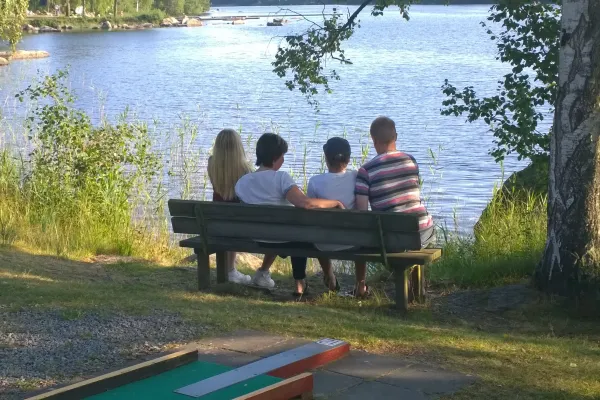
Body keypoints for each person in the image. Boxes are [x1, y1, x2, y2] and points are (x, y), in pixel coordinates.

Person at [235, 133, 344, 295]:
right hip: (284, 237)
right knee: (300, 232)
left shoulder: (243, 181)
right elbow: (305, 203)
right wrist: (334, 202)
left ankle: (268, 274)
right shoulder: (281, 178)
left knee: (288, 230)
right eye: (282, 156)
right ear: (275, 158)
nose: (283, 160)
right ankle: (300, 283)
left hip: (256, 236)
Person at [354, 116, 434, 297]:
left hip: (389, 238)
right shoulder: (410, 161)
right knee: (414, 233)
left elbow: (361, 212)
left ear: (373, 140)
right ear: (395, 136)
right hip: (421, 232)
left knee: (389, 235)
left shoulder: (366, 171)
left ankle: (361, 288)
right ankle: (415, 290)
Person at [307, 137, 363, 292]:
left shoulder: (315, 182)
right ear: (349, 158)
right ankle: (360, 285)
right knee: (362, 230)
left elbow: (311, 214)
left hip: (323, 243)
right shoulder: (357, 177)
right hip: (354, 242)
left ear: (326, 158)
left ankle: (329, 275)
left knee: (318, 228)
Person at [207, 128, 253, 284]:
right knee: (233, 225)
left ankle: (227, 270)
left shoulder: (211, 163)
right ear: (238, 146)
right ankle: (230, 270)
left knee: (226, 226)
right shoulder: (245, 169)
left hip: (215, 219)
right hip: (236, 220)